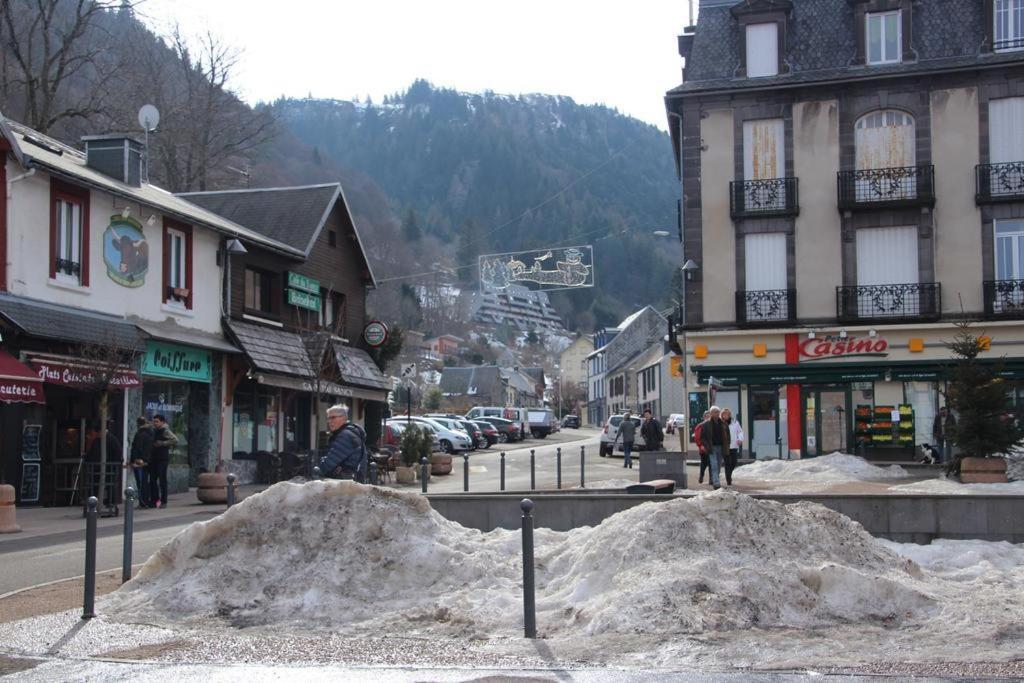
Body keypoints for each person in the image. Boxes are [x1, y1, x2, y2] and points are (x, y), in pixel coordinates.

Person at [318, 404, 368, 481]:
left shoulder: (346, 435)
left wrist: (322, 462)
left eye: (333, 417)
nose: (329, 421)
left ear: (344, 418)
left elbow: (327, 466)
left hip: (345, 485)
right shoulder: (351, 433)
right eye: (328, 418)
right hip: (352, 483)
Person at [149, 414, 177, 509]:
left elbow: (175, 439)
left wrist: (163, 443)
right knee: (152, 480)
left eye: (157, 421)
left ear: (162, 422)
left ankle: (163, 501)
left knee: (162, 480)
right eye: (154, 421)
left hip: (162, 458)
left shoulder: (165, 430)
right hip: (154, 458)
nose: (155, 423)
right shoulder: (154, 430)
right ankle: (154, 500)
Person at [698, 406, 729, 490]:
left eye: (718, 412)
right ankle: (716, 483)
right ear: (711, 413)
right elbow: (702, 437)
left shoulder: (723, 423)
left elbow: (727, 435)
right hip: (711, 448)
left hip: (721, 447)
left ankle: (715, 479)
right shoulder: (705, 424)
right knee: (714, 464)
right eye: (715, 412)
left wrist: (727, 445)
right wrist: (705, 446)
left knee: (718, 465)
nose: (717, 413)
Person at [128, 416, 154, 507]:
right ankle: (145, 500)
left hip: (140, 461)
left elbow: (136, 448)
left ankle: (143, 501)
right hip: (146, 461)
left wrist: (133, 460)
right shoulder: (150, 433)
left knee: (141, 482)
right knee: (144, 481)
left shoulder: (140, 434)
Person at [720, 408, 744, 486]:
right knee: (727, 463)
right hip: (725, 446)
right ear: (722, 415)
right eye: (724, 414)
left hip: (734, 445)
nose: (725, 415)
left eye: (727, 414)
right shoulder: (720, 423)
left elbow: (740, 431)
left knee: (734, 462)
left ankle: (729, 474)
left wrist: (740, 439)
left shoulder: (735, 422)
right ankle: (728, 479)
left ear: (729, 415)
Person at [694, 410, 711, 483]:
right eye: (706, 416)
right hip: (703, 448)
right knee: (704, 464)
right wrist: (700, 445)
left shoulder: (713, 425)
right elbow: (697, 437)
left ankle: (711, 479)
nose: (708, 418)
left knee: (711, 464)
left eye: (709, 416)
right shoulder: (700, 426)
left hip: (711, 448)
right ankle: (701, 476)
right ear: (704, 417)